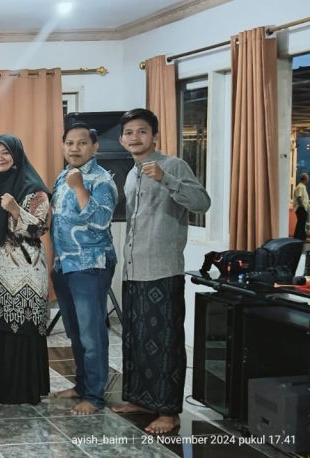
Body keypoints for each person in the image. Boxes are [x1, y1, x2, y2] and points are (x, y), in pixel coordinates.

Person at [110, 108, 210, 434]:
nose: (134, 137)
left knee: (165, 342)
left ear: (154, 136)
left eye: (142, 131)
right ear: (122, 139)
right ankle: (141, 399)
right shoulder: (130, 174)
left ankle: (168, 412)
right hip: (134, 270)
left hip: (163, 270)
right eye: (128, 132)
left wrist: (165, 178)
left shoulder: (173, 165)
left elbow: (202, 202)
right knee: (136, 340)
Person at [0, 134, 51, 406]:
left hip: (24, 271)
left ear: (16, 154)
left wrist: (15, 209)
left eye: (5, 152)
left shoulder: (33, 187)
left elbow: (40, 229)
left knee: (23, 326)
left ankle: (23, 389)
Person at [49, 124, 118, 416]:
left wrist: (79, 187)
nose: (74, 148)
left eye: (81, 143)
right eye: (69, 143)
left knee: (92, 335)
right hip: (64, 264)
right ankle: (81, 385)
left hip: (90, 265)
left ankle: (94, 396)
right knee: (75, 332)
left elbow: (100, 222)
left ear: (94, 146)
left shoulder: (102, 180)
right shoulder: (63, 175)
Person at [293, 173, 308, 240]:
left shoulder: (302, 186)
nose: (308, 180)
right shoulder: (301, 187)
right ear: (305, 179)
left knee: (300, 223)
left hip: (301, 208)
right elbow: (299, 197)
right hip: (301, 208)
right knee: (301, 223)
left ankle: (297, 238)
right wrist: (303, 206)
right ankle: (300, 238)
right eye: (307, 179)